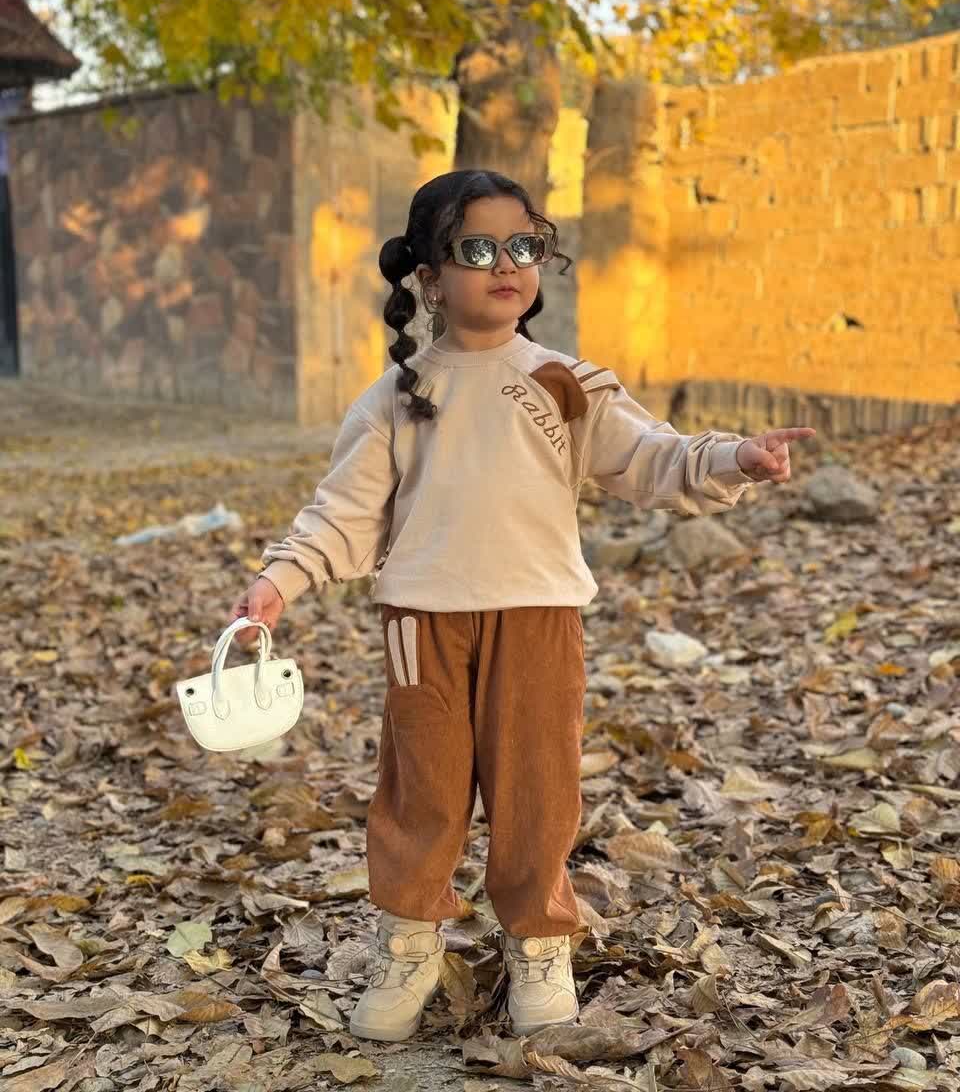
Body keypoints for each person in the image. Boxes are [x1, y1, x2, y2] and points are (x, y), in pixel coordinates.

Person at [229, 168, 815, 1042]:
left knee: (538, 786)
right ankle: (409, 942)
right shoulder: (394, 399)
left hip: (540, 617)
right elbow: (341, 516)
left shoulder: (565, 382)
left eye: (523, 245)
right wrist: (279, 580)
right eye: (477, 249)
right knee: (421, 790)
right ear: (430, 277)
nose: (505, 265)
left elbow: (651, 458)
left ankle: (538, 942)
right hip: (422, 625)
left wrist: (736, 458)